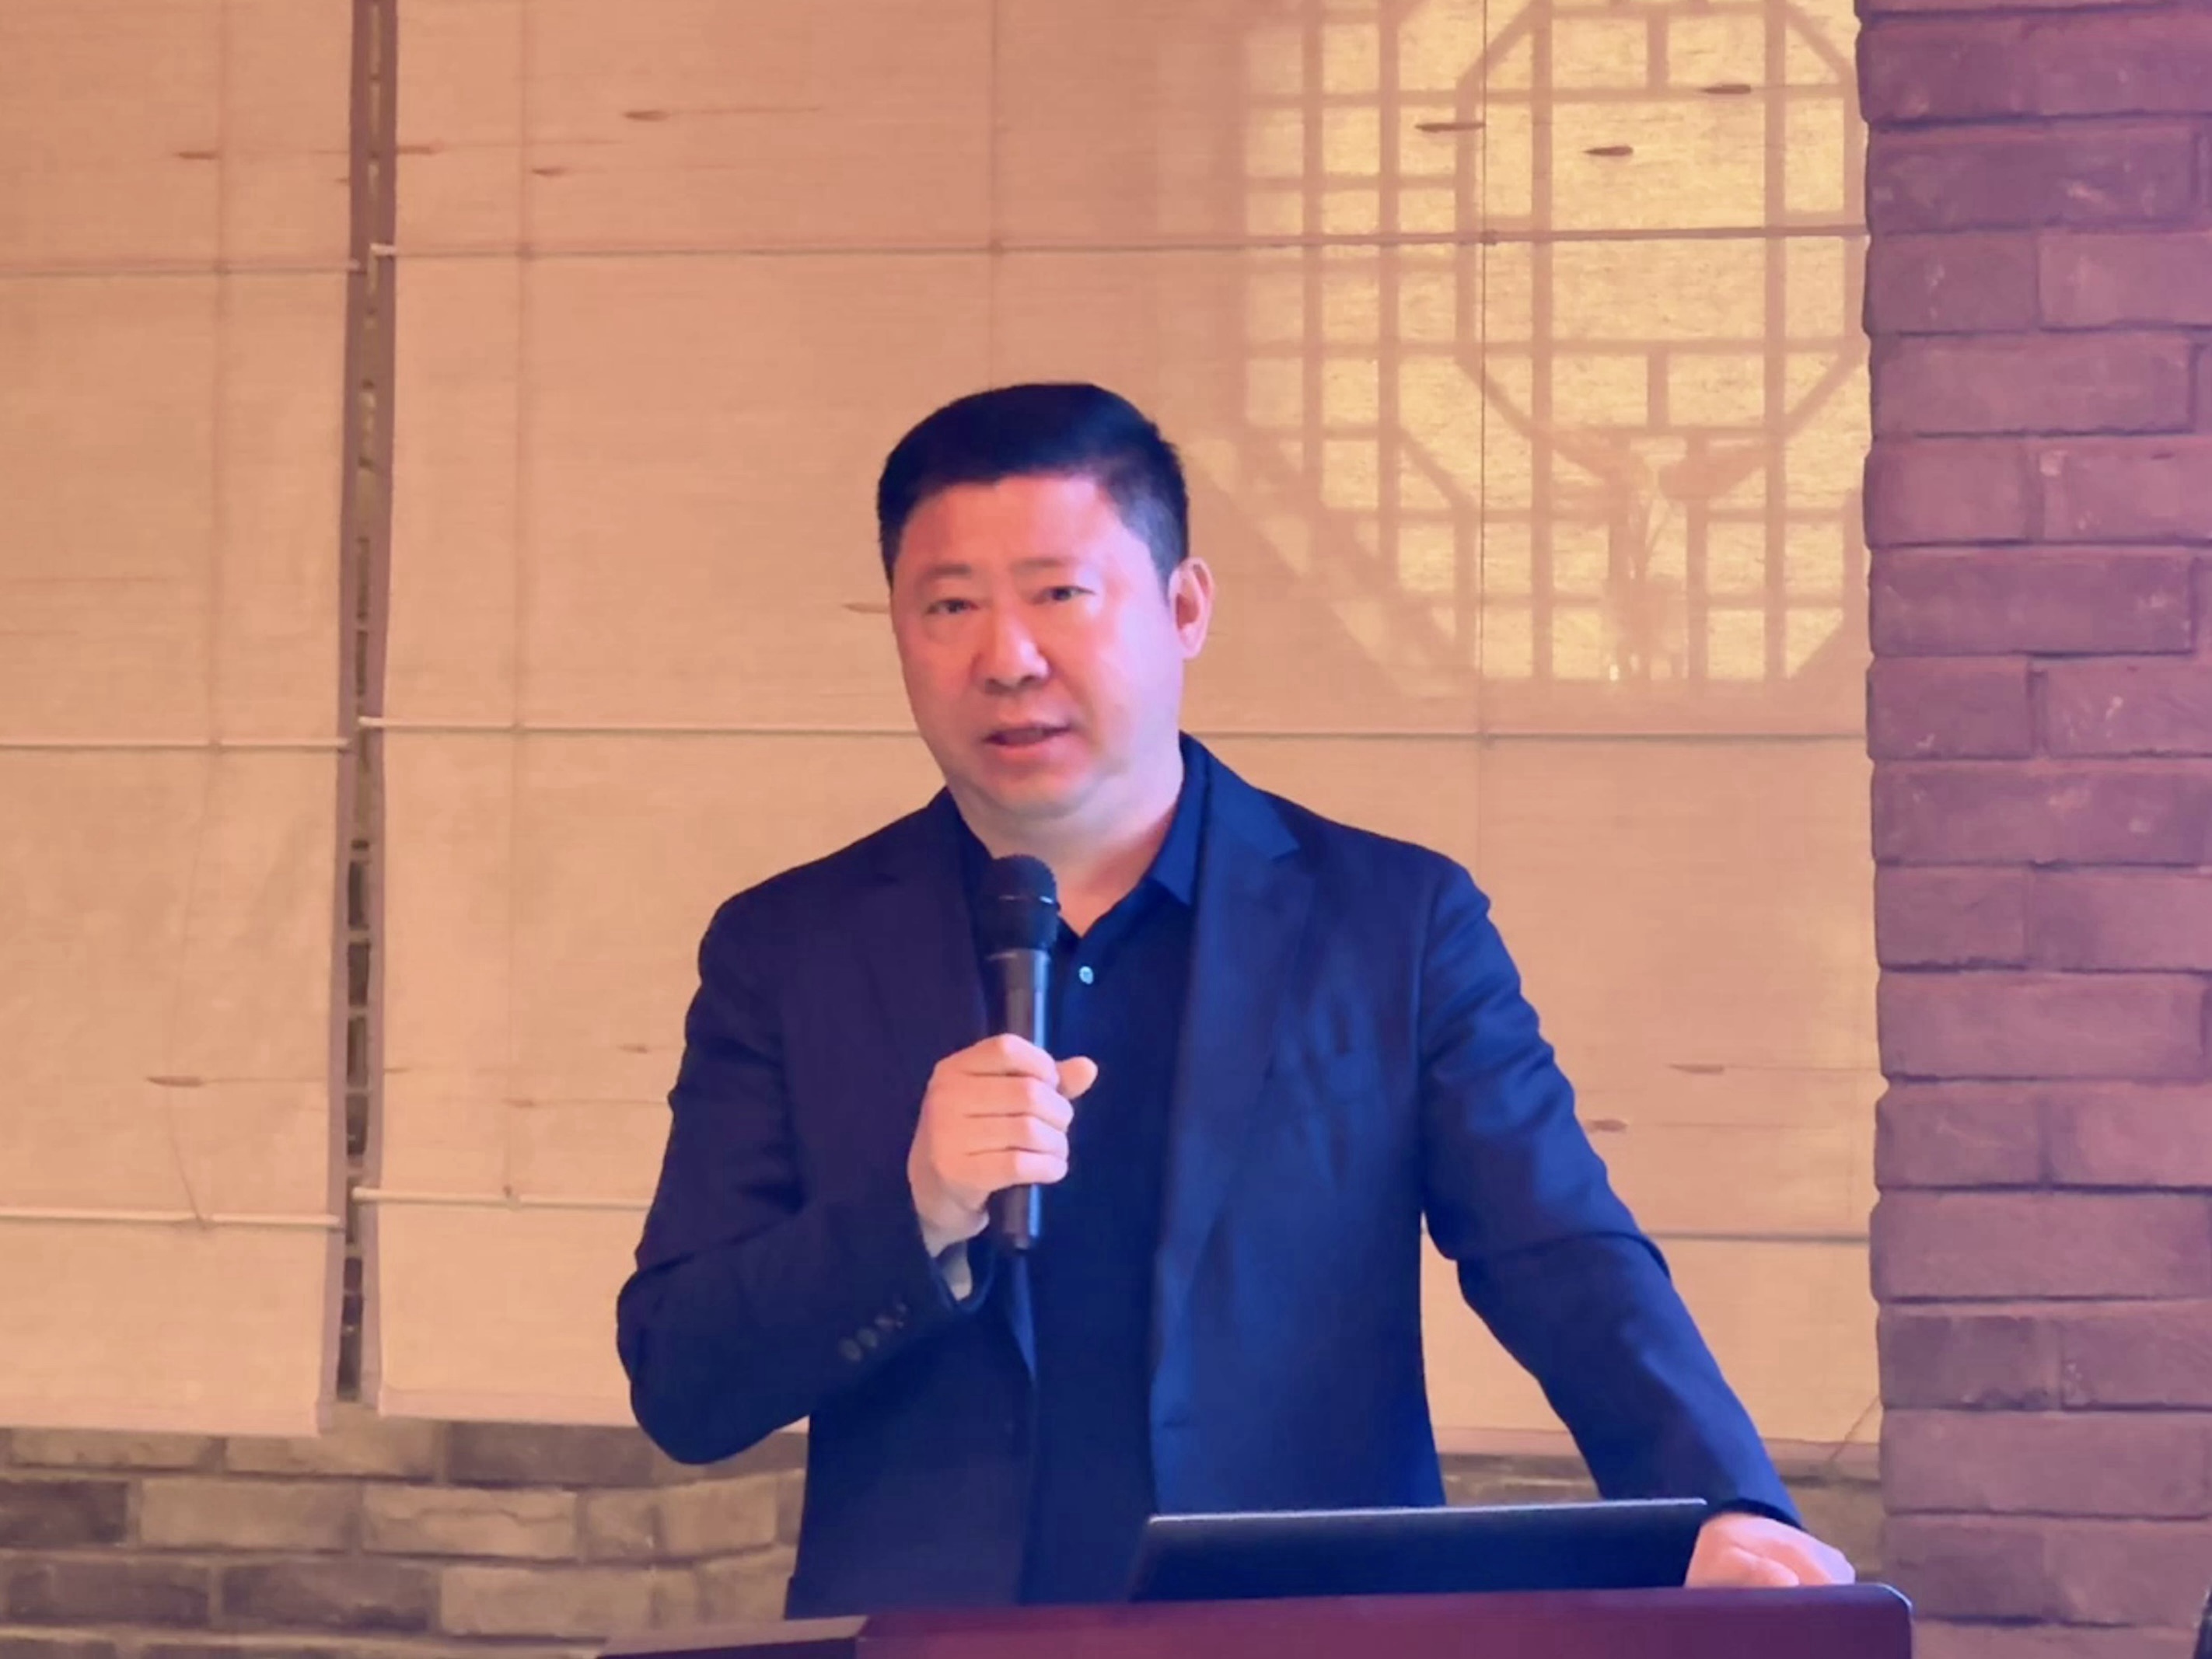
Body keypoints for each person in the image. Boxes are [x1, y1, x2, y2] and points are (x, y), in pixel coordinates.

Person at [614, 382, 1854, 1617]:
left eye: (1059, 594)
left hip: (1306, 1630)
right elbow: (684, 1381)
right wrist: (914, 1210)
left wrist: (1723, 1500)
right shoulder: (790, 948)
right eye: (950, 606)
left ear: (1185, 607)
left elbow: (1559, 1252)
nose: (1007, 658)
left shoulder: (1391, 923)